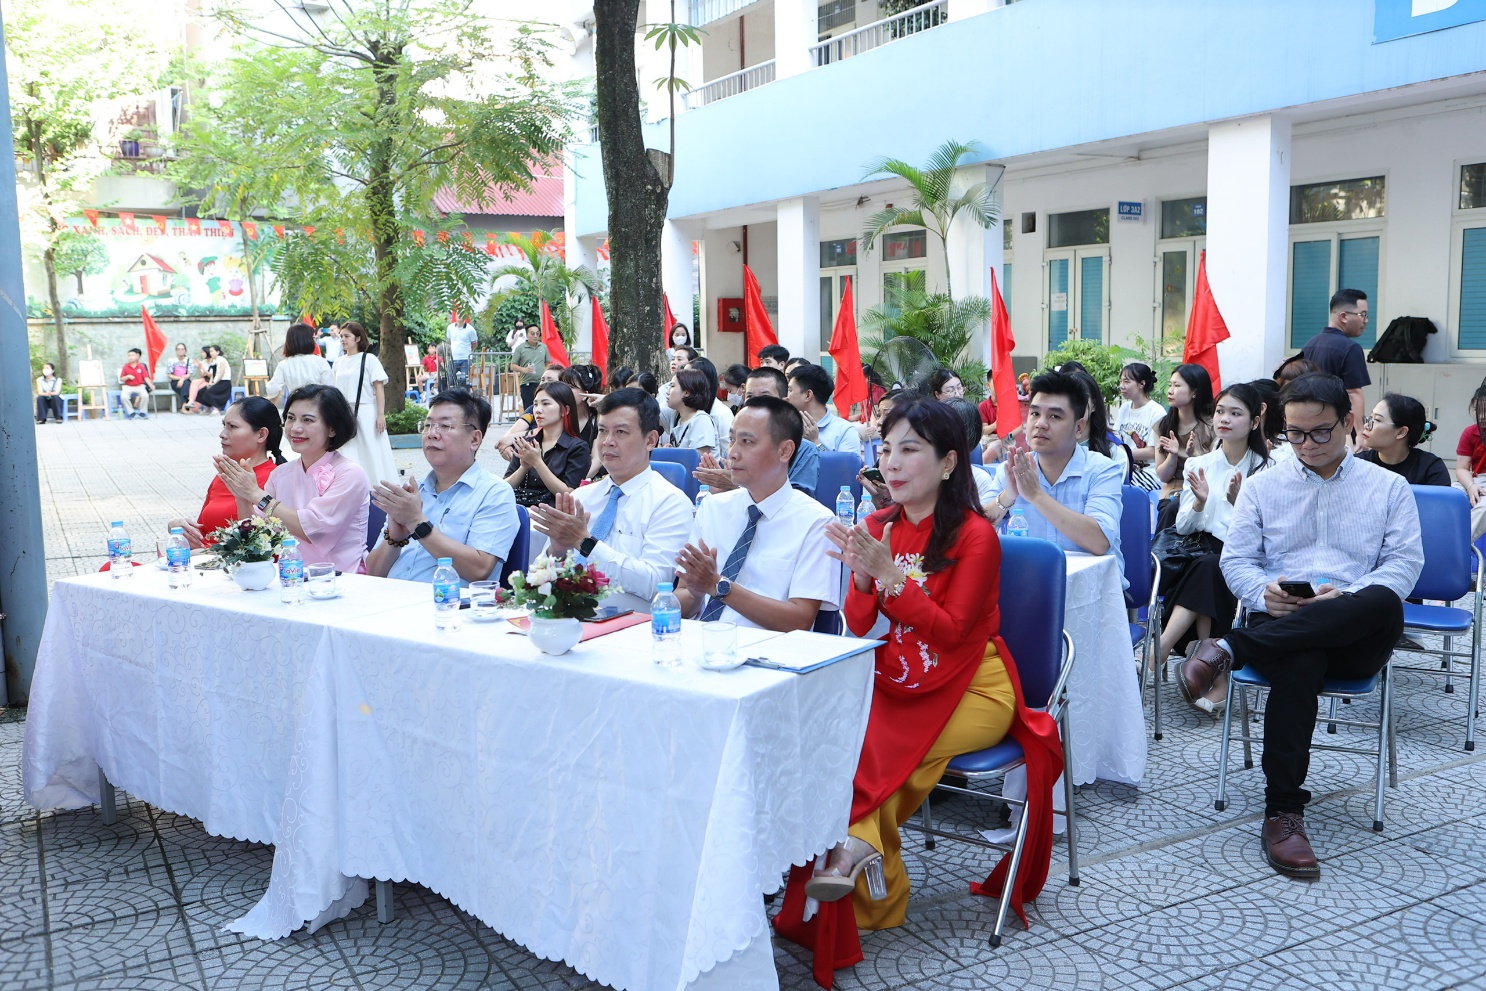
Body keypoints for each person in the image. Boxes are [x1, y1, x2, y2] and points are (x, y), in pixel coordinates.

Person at [773, 397, 1060, 985]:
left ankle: (853, 852)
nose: (893, 464)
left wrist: (889, 577)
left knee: (879, 759)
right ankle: (872, 869)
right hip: (901, 675)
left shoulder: (977, 535)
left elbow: (954, 633)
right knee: (851, 748)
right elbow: (857, 623)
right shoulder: (878, 525)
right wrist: (860, 577)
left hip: (974, 684)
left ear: (949, 462)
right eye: (885, 449)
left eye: (909, 450)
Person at [1182, 372, 1423, 878]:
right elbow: (1238, 561)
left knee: (1383, 600)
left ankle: (1233, 646)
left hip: (1358, 630)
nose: (1307, 445)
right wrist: (1261, 592)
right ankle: (1283, 813)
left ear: (1349, 424)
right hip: (1287, 624)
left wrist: (1343, 598)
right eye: (1295, 434)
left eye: (1320, 433)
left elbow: (1403, 566)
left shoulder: (1389, 488)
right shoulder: (1263, 487)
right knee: (1302, 658)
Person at [674, 396, 838, 630]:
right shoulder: (713, 507)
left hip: (768, 656)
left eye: (747, 442)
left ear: (785, 451)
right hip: (701, 644)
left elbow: (800, 620)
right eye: (732, 440)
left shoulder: (816, 522)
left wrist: (718, 585)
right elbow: (684, 600)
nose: (732, 453)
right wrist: (696, 594)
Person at [1154, 383, 1272, 709]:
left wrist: (1240, 505)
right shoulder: (1198, 464)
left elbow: (1269, 540)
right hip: (1200, 553)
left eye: (1236, 413)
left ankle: (1164, 647)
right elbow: (1183, 528)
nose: (1225, 419)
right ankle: (1210, 668)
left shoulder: (1268, 470)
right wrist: (1200, 503)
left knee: (1214, 566)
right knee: (1208, 565)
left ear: (1254, 422)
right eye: (1221, 411)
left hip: (1248, 558)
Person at [530, 388, 693, 613]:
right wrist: (557, 550)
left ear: (651, 440)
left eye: (621, 432)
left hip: (631, 630)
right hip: (567, 621)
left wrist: (585, 543)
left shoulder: (670, 503)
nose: (608, 441)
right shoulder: (581, 497)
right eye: (602, 431)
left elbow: (656, 585)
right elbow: (535, 581)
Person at [365, 389, 519, 586]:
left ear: (475, 439)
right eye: (427, 425)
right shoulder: (411, 492)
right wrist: (394, 538)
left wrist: (417, 523)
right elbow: (373, 573)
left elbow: (479, 569)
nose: (432, 434)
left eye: (445, 426)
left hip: (448, 608)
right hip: (393, 601)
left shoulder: (494, 493)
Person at [215, 384, 371, 574]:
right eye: (290, 418)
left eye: (307, 420)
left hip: (343, 579)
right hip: (291, 578)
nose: (295, 428)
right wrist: (241, 495)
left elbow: (312, 529)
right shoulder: (281, 474)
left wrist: (256, 494)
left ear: (332, 429)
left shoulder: (350, 474)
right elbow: (254, 536)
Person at [983, 369, 1124, 569]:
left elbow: (1100, 541)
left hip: (1090, 590)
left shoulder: (1102, 470)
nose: (1041, 424)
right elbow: (974, 530)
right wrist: (1008, 496)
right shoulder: (1014, 468)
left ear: (1078, 428)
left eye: (1055, 417)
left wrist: (1036, 495)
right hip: (1028, 584)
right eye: (1035, 413)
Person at [166, 397, 287, 547]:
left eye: (232, 427)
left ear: (261, 434)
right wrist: (178, 526)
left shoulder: (277, 479)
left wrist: (209, 553)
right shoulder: (223, 476)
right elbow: (203, 534)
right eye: (224, 425)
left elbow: (267, 548)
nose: (222, 434)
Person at [695, 366, 820, 498]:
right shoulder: (734, 446)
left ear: (785, 403)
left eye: (765, 397)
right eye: (750, 396)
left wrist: (737, 485)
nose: (755, 403)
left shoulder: (805, 450)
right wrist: (720, 488)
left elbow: (797, 502)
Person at [503, 380, 591, 508]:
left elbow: (569, 494)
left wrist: (537, 463)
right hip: (520, 513)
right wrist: (523, 468)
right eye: (535, 404)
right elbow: (504, 487)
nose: (538, 410)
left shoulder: (578, 448)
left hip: (553, 518)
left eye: (546, 404)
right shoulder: (526, 443)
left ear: (564, 410)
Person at [332, 322, 399, 485]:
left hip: (366, 410)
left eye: (347, 336)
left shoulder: (369, 359)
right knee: (347, 450)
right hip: (344, 411)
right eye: (341, 336)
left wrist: (380, 415)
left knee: (370, 450)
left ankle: (375, 485)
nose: (343, 339)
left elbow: (379, 387)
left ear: (358, 338)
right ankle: (350, 485)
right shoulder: (338, 362)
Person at [1300, 288, 1370, 440]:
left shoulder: (1309, 345)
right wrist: (1360, 433)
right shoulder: (1350, 348)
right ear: (1344, 316)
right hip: (1337, 429)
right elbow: (1353, 394)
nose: (1366, 320)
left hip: (1310, 428)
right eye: (1362, 315)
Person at [1154, 363, 1216, 510]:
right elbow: (1163, 476)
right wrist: (1173, 456)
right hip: (1172, 492)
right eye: (1170, 385)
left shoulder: (1212, 426)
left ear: (1194, 392)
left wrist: (1194, 455)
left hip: (1205, 490)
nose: (1170, 391)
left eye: (1177, 386)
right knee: (1172, 509)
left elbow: (1214, 471)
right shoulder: (1162, 426)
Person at [1358, 394, 1448, 486]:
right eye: (1370, 418)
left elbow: (1442, 499)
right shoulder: (1357, 464)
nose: (1366, 426)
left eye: (1377, 420)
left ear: (1401, 432)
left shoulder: (1431, 468)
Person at [787, 362, 860, 456]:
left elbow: (845, 469)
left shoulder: (845, 431)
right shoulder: (786, 426)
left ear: (808, 395)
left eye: (790, 390)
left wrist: (815, 443)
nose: (787, 397)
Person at [1113, 362, 1166, 486]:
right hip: (1125, 466)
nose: (1121, 386)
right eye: (1121, 381)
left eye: (1126, 382)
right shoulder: (1124, 408)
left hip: (1150, 472)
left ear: (1142, 383)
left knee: (1114, 485)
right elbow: (1115, 438)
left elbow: (1153, 451)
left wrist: (1121, 454)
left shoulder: (1157, 412)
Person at [265, 324, 333, 409]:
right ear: (308, 340)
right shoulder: (320, 362)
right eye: (313, 337)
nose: (315, 340)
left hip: (294, 408)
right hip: (317, 408)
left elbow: (272, 389)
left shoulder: (284, 364)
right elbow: (330, 388)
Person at [665, 368, 719, 456]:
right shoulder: (676, 416)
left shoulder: (701, 421)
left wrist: (667, 455)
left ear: (686, 392)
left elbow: (697, 462)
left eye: (672, 386)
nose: (667, 392)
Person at [687, 355, 733, 457]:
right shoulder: (684, 411)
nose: (682, 380)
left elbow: (728, 451)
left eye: (687, 377)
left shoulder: (722, 414)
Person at [1456, 384, 1486, 539]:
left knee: (1483, 508)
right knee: (1452, 494)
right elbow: (1461, 468)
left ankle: (1457, 544)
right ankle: (1437, 535)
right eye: (1477, 409)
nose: (1482, 416)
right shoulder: (1470, 432)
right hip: (1475, 478)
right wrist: (1471, 486)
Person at [509, 323, 548, 410]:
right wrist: (524, 369)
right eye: (532, 333)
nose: (535, 336)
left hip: (542, 384)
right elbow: (512, 365)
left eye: (537, 333)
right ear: (527, 335)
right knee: (529, 409)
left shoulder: (544, 347)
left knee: (543, 408)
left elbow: (547, 363)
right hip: (527, 384)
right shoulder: (520, 348)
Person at [186, 345, 233, 414]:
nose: (211, 353)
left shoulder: (222, 360)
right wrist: (211, 382)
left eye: (212, 351)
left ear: (218, 352)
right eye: (210, 351)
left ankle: (216, 409)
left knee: (210, 391)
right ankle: (207, 408)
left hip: (224, 382)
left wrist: (213, 383)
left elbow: (220, 374)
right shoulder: (214, 361)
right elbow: (212, 375)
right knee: (202, 391)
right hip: (217, 381)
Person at [118, 348, 152, 419]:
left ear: (137, 356)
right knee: (124, 397)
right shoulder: (125, 367)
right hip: (128, 386)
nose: (130, 357)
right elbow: (121, 378)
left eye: (132, 355)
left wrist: (151, 385)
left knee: (145, 395)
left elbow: (146, 377)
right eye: (129, 355)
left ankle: (143, 412)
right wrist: (127, 376)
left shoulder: (141, 367)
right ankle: (131, 412)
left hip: (139, 386)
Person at [446, 316, 478, 386]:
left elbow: (474, 343)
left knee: (465, 381)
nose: (459, 316)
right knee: (450, 380)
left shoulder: (470, 330)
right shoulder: (450, 328)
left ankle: (464, 396)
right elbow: (449, 341)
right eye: (458, 314)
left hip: (465, 359)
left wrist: (468, 351)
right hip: (453, 358)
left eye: (461, 314)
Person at [167, 343, 193, 409]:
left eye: (182, 349)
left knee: (185, 384)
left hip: (185, 380)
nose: (180, 351)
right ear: (176, 350)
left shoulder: (189, 360)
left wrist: (182, 380)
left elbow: (189, 374)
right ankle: (186, 406)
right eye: (178, 349)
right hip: (175, 381)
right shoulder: (172, 361)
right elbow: (169, 375)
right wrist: (180, 379)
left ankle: (184, 406)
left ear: (185, 351)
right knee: (185, 385)